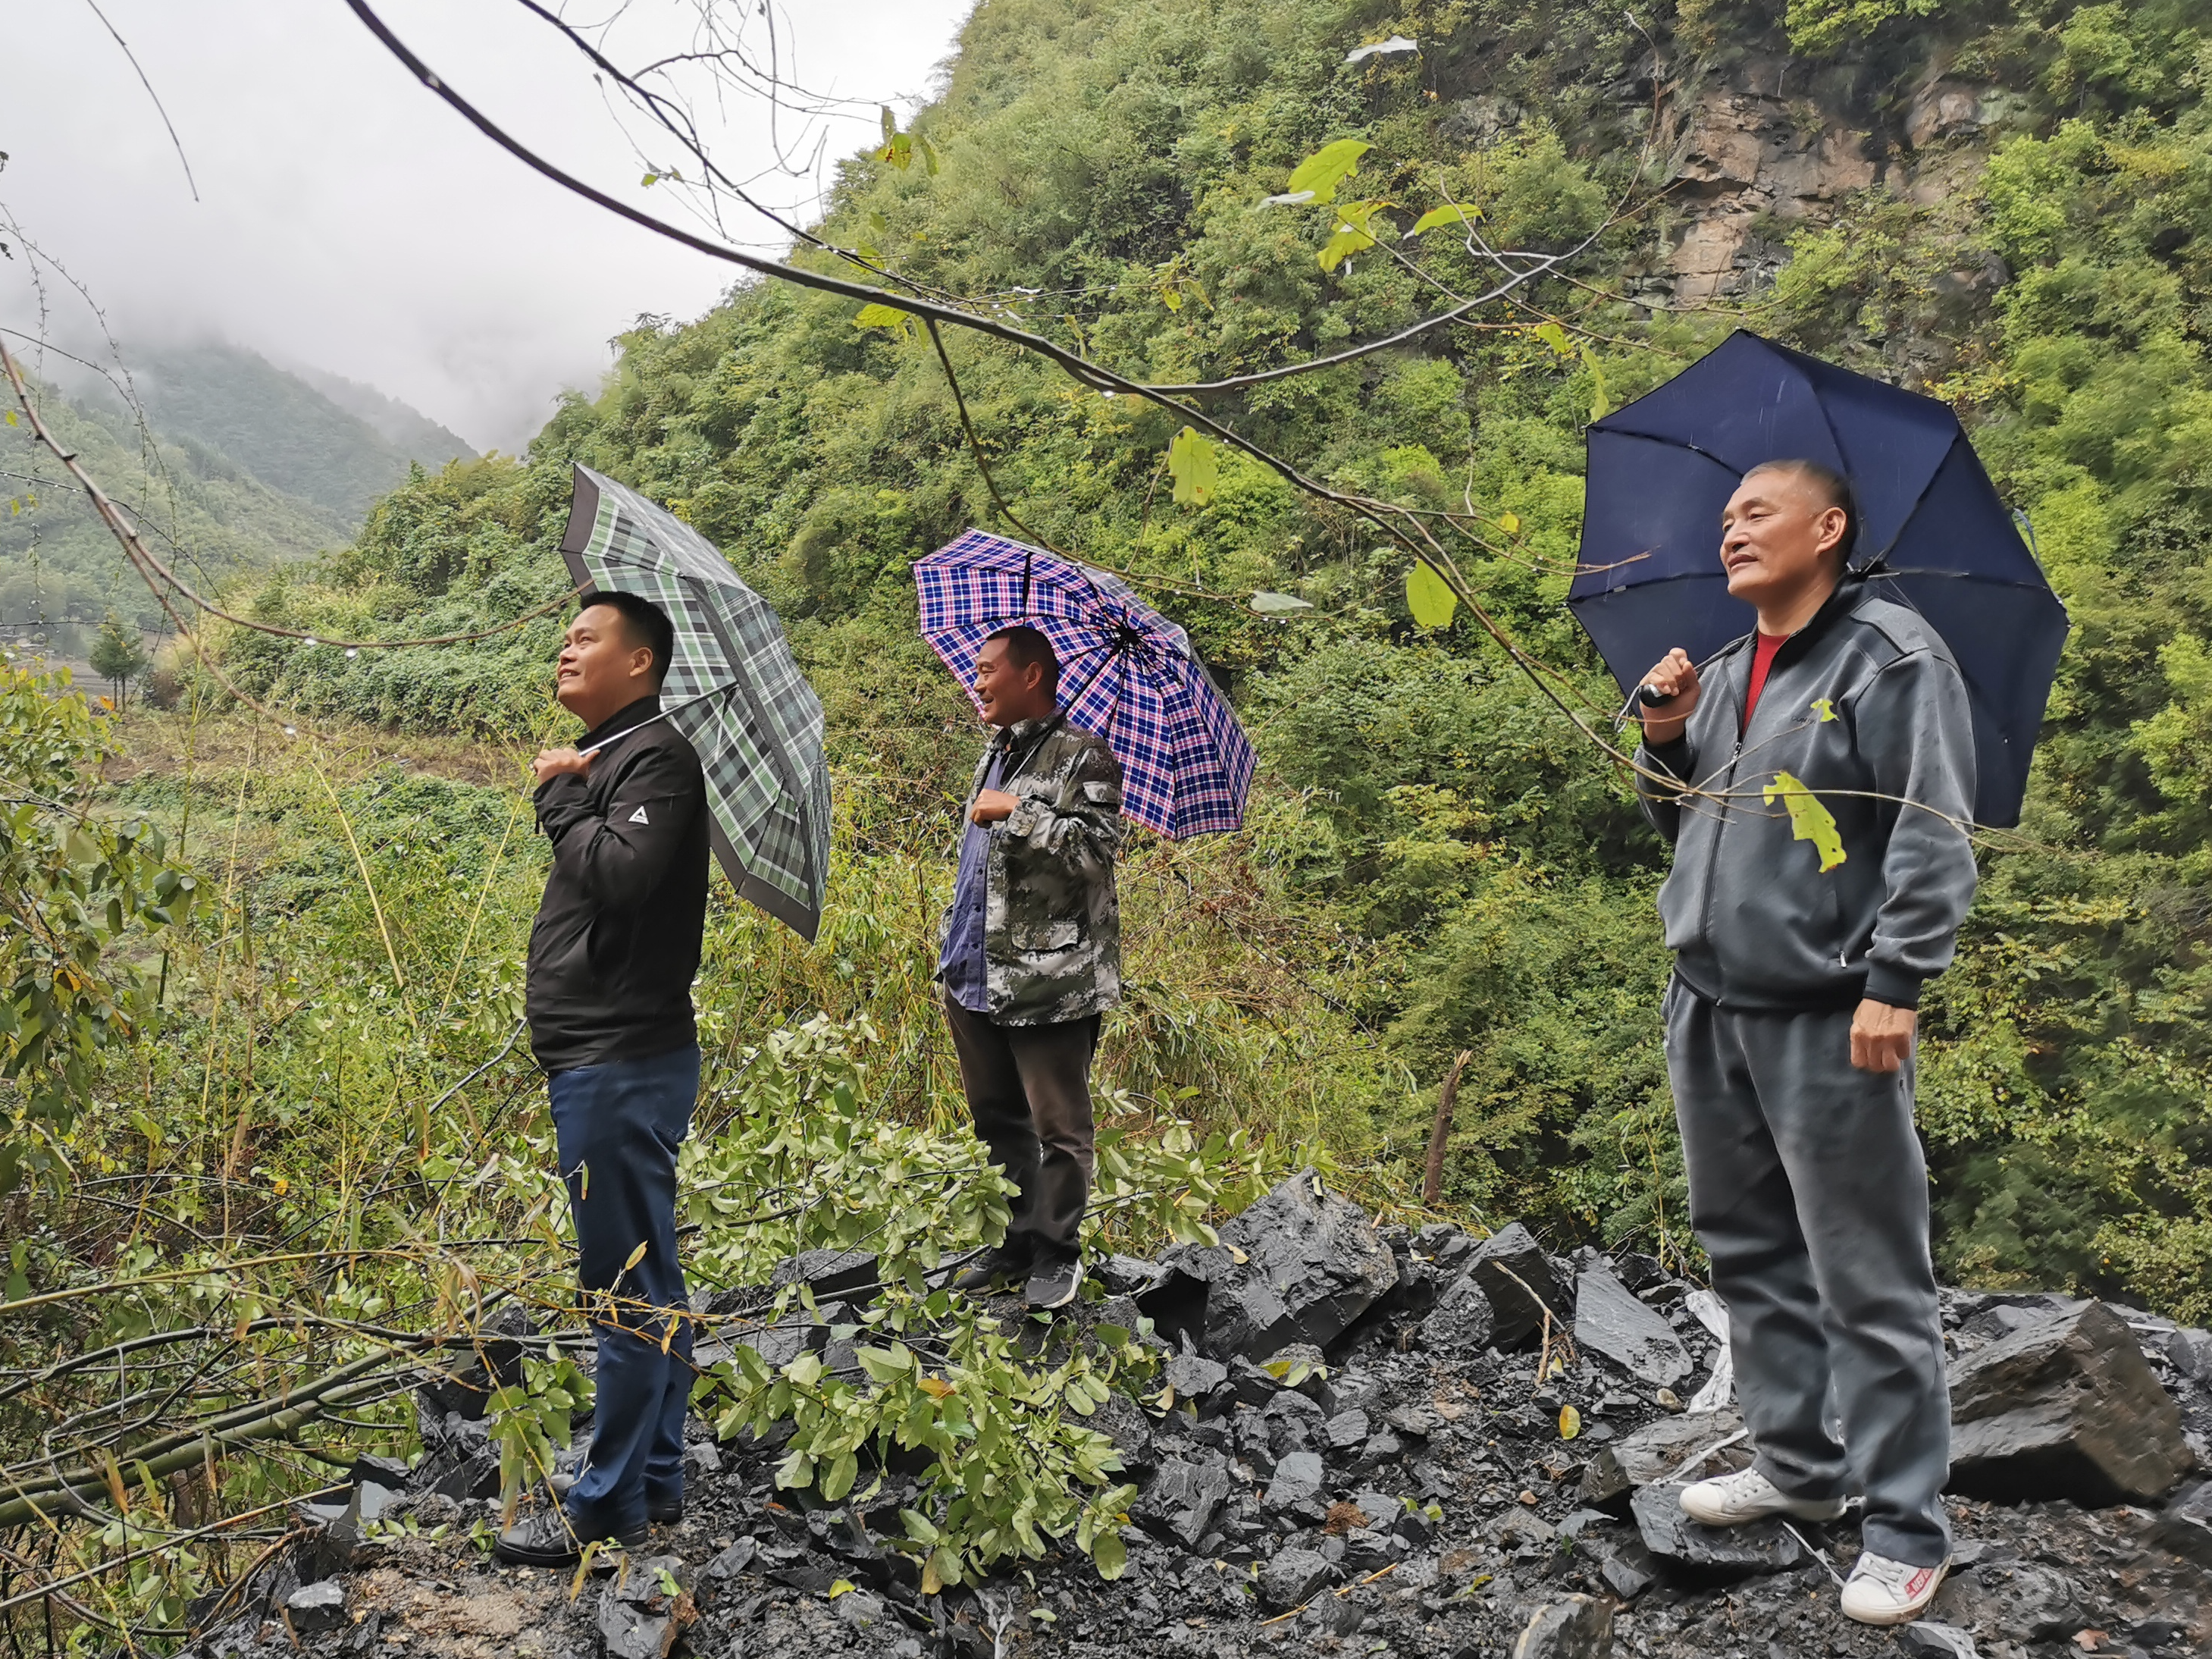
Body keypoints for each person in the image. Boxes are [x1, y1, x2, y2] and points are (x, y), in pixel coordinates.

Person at [1634, 459, 1977, 1626]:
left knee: (1865, 1269)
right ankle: (1798, 1464)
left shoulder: (1889, 656)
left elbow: (1936, 828)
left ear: (1827, 528)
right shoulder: (1724, 671)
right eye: (1725, 516)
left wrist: (1899, 980)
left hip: (1832, 1011)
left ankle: (1903, 1526)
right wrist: (1666, 739)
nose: (1729, 530)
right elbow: (1684, 825)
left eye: (1755, 513)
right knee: (1745, 1248)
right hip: (1708, 999)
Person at [495, 591, 710, 1567]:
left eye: (586, 639)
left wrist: (557, 793)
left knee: (618, 1285)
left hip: (619, 1058)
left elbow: (620, 875)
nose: (565, 651)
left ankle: (604, 1504)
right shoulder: (618, 754)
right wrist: (578, 782)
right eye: (564, 640)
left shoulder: (655, 756)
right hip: (611, 1052)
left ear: (640, 663)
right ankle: (655, 1479)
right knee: (649, 1274)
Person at [938, 625, 1123, 1311]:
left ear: (1034, 675)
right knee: (997, 1119)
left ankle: (1057, 1251)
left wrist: (1018, 813)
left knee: (1058, 1128)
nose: (977, 681)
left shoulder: (1086, 757)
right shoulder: (1000, 753)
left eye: (988, 670)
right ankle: (1016, 1241)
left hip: (1048, 983)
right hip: (974, 971)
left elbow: (1096, 854)